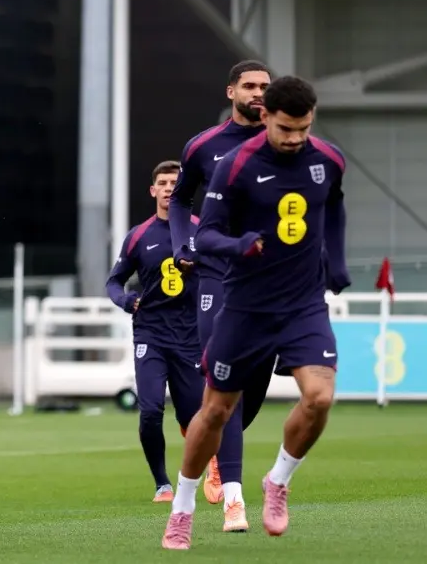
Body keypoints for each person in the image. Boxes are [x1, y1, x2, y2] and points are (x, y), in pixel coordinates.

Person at [162, 75, 350, 550]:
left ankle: (278, 481)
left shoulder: (327, 160)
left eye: (303, 129)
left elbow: (335, 208)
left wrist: (338, 261)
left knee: (320, 397)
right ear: (266, 117)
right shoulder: (235, 165)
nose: (294, 139)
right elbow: (205, 236)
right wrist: (239, 245)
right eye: (286, 128)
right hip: (244, 304)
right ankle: (182, 509)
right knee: (217, 411)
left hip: (303, 303)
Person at [169, 60, 273, 529]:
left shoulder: (284, 142)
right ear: (231, 90)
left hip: (272, 280)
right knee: (224, 378)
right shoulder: (203, 146)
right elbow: (178, 200)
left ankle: (212, 444)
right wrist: (180, 244)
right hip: (216, 276)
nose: (257, 93)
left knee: (251, 388)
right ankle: (235, 498)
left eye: (264, 87)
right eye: (249, 85)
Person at [104, 161, 202, 503]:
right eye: (162, 182)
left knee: (194, 417)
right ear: (153, 190)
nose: (168, 187)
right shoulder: (139, 236)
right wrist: (126, 300)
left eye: (175, 182)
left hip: (191, 336)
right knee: (150, 410)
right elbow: (113, 281)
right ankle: (162, 483)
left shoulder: (200, 231)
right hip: (151, 335)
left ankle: (201, 467)